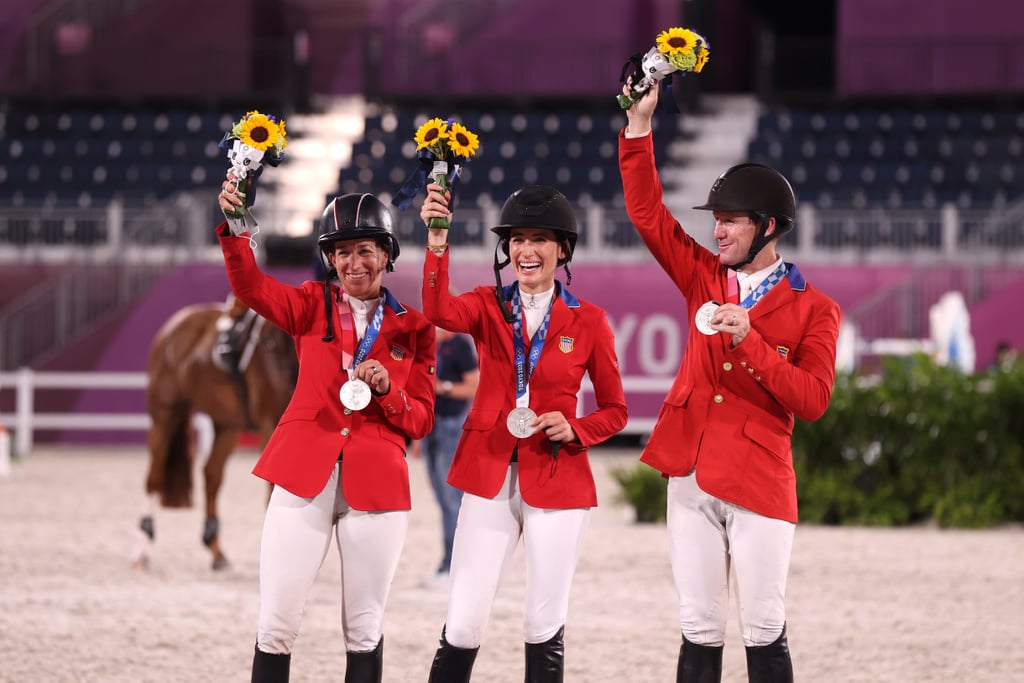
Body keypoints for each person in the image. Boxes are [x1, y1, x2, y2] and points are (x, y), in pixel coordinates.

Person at [619, 82, 841, 683]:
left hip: (759, 478)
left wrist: (753, 341)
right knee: (698, 625)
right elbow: (646, 213)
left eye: (731, 223)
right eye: (716, 222)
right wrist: (639, 128)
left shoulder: (815, 309)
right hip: (689, 471)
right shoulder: (701, 276)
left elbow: (813, 400)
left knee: (763, 626)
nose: (717, 234)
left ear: (768, 226)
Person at [217, 176, 437, 683]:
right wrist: (235, 223)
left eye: (365, 250)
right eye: (341, 253)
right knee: (275, 624)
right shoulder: (309, 303)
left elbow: (421, 420)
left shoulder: (415, 329)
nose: (353, 263)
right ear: (329, 259)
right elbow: (249, 286)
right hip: (302, 471)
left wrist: (389, 392)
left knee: (363, 629)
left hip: (377, 480)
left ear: (386, 255)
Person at [418, 182, 629, 681]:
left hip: (558, 478)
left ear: (563, 250)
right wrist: (436, 241)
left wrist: (575, 427)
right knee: (464, 621)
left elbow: (616, 411)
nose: (525, 250)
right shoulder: (487, 304)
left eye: (539, 239)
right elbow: (436, 310)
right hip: (488, 472)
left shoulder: (591, 321)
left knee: (543, 622)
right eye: (516, 239)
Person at [414, 321, 480, 589]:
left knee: (452, 499)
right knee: (442, 499)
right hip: (431, 426)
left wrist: (442, 387)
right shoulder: (432, 345)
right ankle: (450, 562)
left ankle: (454, 564)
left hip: (451, 426)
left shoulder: (460, 346)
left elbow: (473, 386)